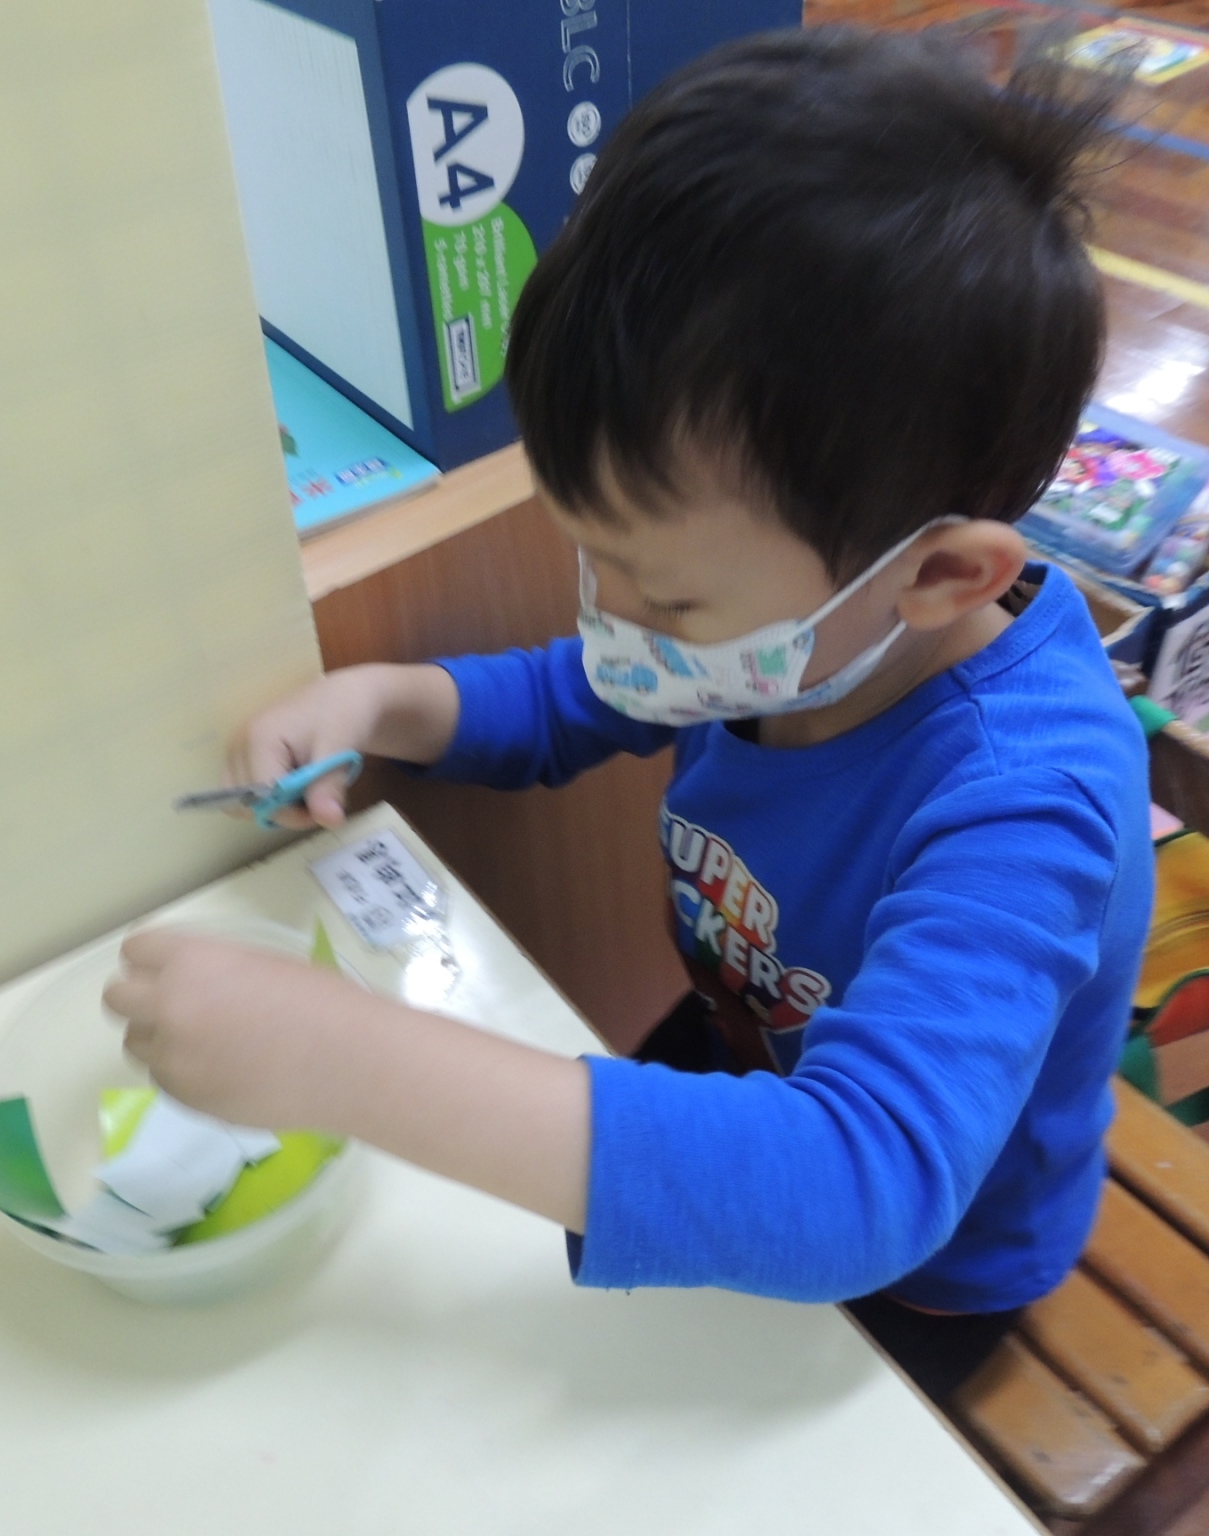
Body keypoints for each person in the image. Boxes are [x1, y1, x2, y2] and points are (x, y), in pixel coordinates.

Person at [103, 27, 1151, 1407]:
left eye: (665, 596)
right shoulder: (783, 643)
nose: (613, 620)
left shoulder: (1026, 802)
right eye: (592, 559)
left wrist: (340, 1060)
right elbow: (570, 696)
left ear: (944, 575)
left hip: (926, 1262)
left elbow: (866, 1184)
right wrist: (382, 701)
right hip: (742, 1057)